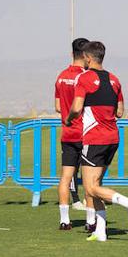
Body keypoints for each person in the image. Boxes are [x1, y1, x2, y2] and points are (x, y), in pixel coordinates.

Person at [67, 40, 128, 242]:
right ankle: (100, 231)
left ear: (88, 58)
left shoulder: (83, 78)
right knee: (96, 183)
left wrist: (69, 119)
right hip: (112, 138)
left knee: (91, 188)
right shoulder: (115, 80)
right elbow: (119, 111)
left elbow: (76, 108)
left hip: (94, 138)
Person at [54, 37, 90, 230]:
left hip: (67, 134)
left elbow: (58, 106)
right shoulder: (85, 77)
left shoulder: (61, 76)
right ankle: (90, 221)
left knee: (65, 177)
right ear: (86, 55)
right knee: (89, 178)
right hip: (84, 133)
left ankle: (64, 220)